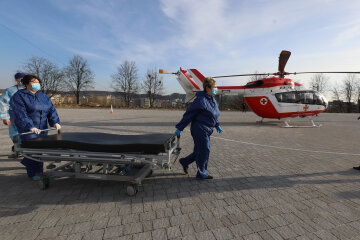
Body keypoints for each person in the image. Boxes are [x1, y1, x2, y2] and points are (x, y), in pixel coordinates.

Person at [10, 75, 61, 180]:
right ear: (27, 83)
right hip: (28, 129)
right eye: (34, 81)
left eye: (38, 81)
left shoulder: (42, 96)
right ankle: (34, 173)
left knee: (38, 150)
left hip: (42, 128)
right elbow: (20, 114)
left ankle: (35, 169)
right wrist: (30, 126)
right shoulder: (19, 96)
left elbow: (51, 109)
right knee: (33, 150)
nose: (36, 83)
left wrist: (55, 122)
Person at [174, 77, 222, 180]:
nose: (216, 89)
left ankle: (184, 161)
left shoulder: (212, 99)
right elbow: (189, 115)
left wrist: (217, 124)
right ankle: (202, 174)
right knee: (204, 150)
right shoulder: (200, 100)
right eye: (215, 87)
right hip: (199, 129)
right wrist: (180, 127)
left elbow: (213, 114)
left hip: (208, 129)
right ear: (207, 88)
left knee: (200, 151)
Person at [0, 72, 26, 157]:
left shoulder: (30, 89)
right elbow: (3, 103)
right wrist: (5, 117)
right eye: (20, 79)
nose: (22, 81)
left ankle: (27, 151)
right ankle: (18, 151)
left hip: (28, 116)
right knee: (15, 136)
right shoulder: (10, 90)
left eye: (24, 79)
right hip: (14, 116)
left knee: (29, 134)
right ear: (16, 80)